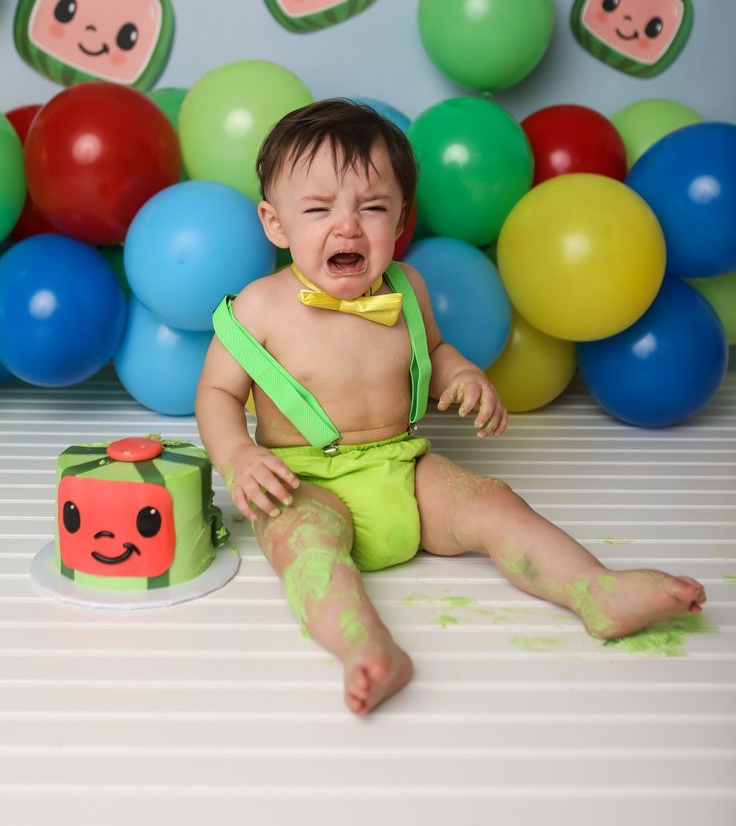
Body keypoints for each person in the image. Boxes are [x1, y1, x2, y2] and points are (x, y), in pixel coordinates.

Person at [195, 99, 706, 715]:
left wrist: (463, 376)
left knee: (491, 502)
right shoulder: (257, 308)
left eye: (373, 207)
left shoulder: (407, 288)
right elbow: (217, 394)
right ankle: (366, 650)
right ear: (275, 225)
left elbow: (432, 350)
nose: (349, 226)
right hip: (303, 480)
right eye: (318, 208)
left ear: (401, 219)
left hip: (404, 465)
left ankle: (595, 590)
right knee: (308, 550)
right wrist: (239, 455)